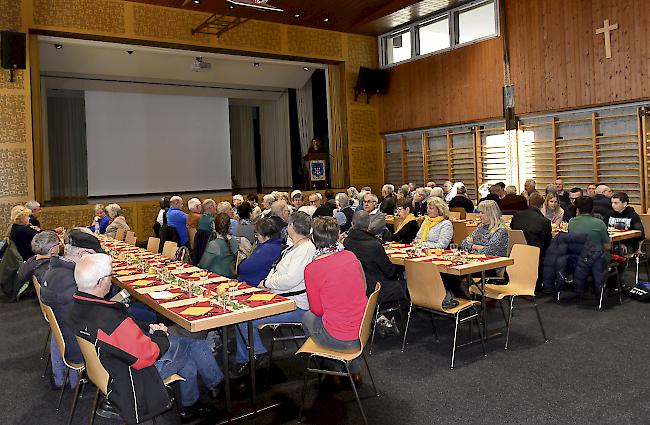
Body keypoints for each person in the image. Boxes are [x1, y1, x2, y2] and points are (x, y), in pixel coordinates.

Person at [68, 254, 223, 423]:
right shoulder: (109, 321)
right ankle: (216, 384)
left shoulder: (78, 306)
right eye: (110, 276)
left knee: (188, 358)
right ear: (100, 282)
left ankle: (191, 406)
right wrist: (160, 334)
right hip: (133, 376)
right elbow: (147, 355)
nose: (111, 281)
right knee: (192, 342)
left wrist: (148, 328)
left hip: (110, 366)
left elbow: (125, 332)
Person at [233, 212, 315, 374]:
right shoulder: (297, 247)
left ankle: (255, 353)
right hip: (283, 298)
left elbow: (290, 280)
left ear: (292, 227)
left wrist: (267, 283)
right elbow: (279, 272)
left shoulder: (304, 249)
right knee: (240, 314)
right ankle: (247, 356)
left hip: (295, 306)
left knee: (243, 319)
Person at [303, 216, 368, 383]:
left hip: (340, 339)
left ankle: (332, 368)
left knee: (307, 317)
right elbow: (364, 288)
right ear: (338, 234)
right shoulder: (351, 256)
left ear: (313, 239)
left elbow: (317, 310)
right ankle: (353, 370)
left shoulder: (312, 268)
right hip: (362, 331)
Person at [41, 229, 104, 390]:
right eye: (94, 256)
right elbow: (96, 320)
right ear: (82, 253)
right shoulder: (71, 281)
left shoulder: (54, 271)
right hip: (81, 347)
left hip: (68, 335)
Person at [343, 212, 406, 335]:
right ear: (369, 225)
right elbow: (390, 272)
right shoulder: (373, 244)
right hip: (376, 287)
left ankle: (380, 317)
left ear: (352, 223)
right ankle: (394, 319)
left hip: (357, 285)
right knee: (401, 281)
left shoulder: (346, 242)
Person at [238, 218, 282, 287]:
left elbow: (243, 268)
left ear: (266, 235)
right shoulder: (275, 245)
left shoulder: (267, 249)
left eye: (258, 234)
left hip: (253, 284)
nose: (256, 237)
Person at [568, 196, 611, 263]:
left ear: (577, 209)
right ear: (592, 208)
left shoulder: (571, 222)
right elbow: (607, 246)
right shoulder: (599, 223)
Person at [510, 193, 552, 258]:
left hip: (517, 253)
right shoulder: (545, 222)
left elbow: (513, 230)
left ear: (528, 203)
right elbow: (546, 244)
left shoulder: (517, 216)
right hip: (536, 257)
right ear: (541, 205)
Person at [198, 213, 239, 278]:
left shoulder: (214, 244)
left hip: (214, 278)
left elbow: (203, 265)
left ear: (214, 225)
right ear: (229, 226)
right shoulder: (234, 241)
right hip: (229, 276)